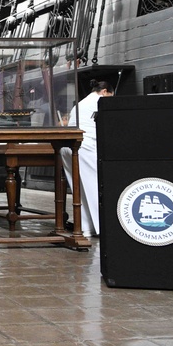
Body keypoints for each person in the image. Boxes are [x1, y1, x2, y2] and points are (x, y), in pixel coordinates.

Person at [61, 80, 114, 238]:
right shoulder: (99, 101)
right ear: (104, 91)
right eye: (111, 96)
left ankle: (86, 227)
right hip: (86, 147)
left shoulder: (80, 103)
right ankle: (103, 227)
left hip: (68, 147)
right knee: (95, 187)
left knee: (80, 189)